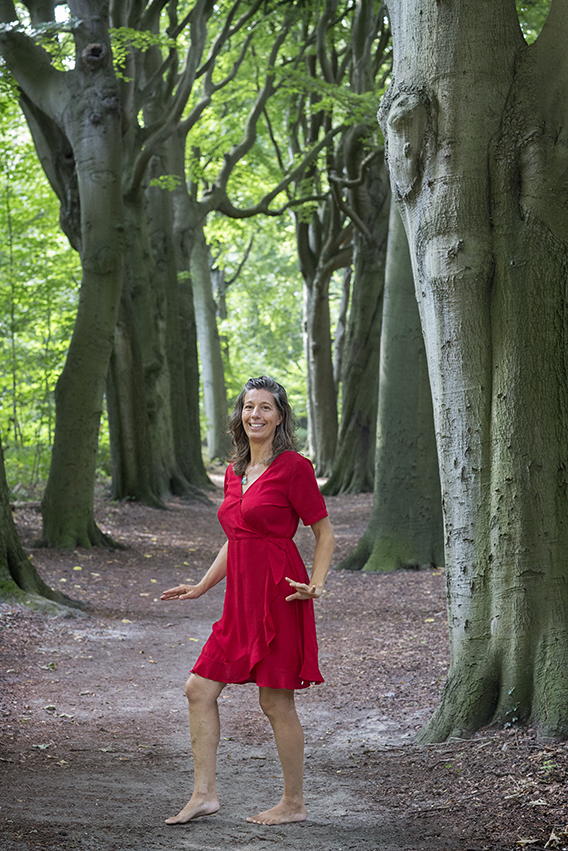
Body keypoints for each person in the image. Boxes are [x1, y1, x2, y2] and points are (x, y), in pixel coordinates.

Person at [161, 376, 335, 826]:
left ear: (280, 417)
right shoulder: (235, 471)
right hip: (238, 600)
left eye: (265, 408)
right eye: (248, 407)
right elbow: (236, 537)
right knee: (198, 689)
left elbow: (323, 531)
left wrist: (315, 583)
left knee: (276, 703)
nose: (255, 414)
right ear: (240, 415)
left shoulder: (294, 467)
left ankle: (293, 804)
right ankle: (204, 795)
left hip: (280, 593)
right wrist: (202, 585)